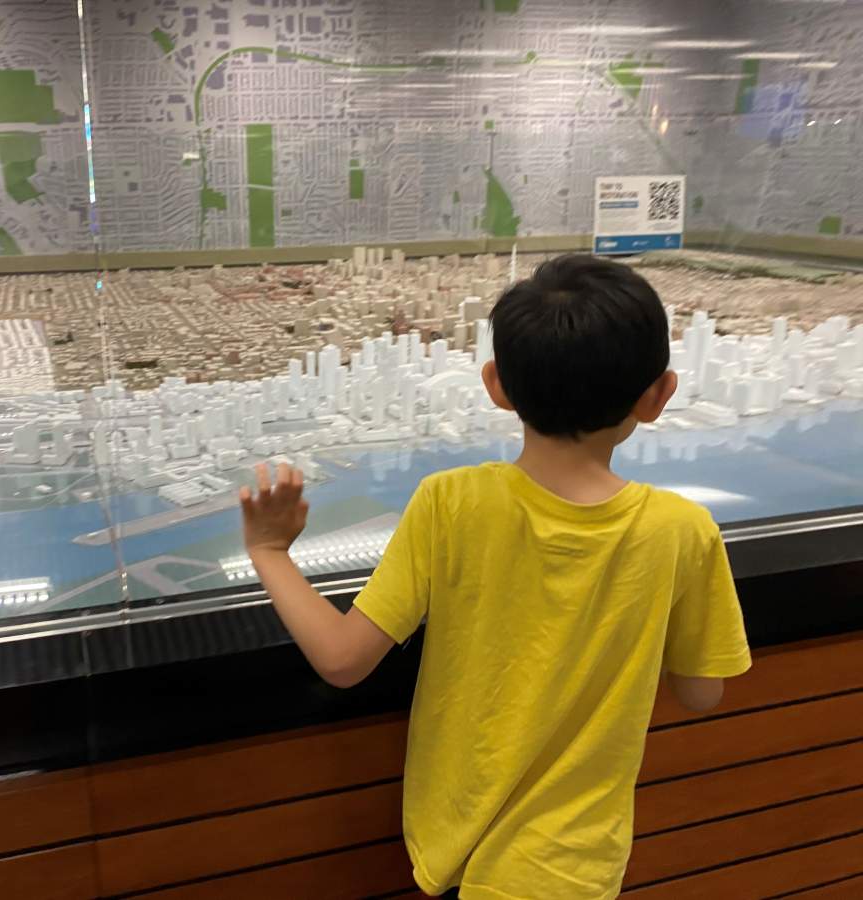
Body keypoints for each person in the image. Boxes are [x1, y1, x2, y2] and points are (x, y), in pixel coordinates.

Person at [238, 254, 752, 899]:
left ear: (496, 385)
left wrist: (269, 551)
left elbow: (342, 660)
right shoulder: (682, 531)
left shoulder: (450, 503)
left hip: (455, 846)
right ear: (658, 396)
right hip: (573, 866)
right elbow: (703, 693)